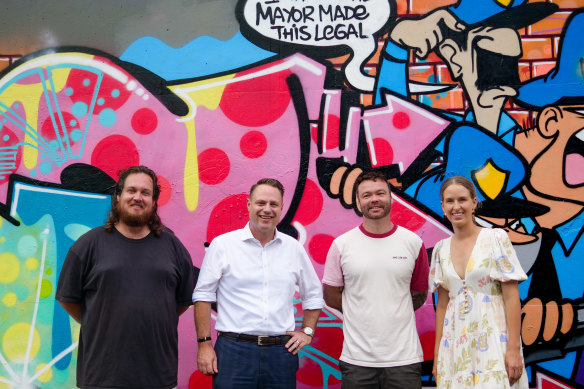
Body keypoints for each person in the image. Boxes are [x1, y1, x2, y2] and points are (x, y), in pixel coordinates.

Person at [56, 165, 196, 389]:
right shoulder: (89, 244)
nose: (137, 197)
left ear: (153, 201)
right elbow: (67, 298)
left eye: (145, 192)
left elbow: (180, 303)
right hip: (102, 376)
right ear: (118, 196)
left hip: (157, 375)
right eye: (131, 190)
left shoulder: (173, 247)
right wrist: (97, 319)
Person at [192, 178, 324, 388]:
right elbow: (203, 297)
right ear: (249, 205)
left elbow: (314, 295)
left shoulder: (293, 248)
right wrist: (205, 344)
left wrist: (307, 332)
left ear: (281, 208)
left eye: (273, 204)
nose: (267, 210)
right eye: (261, 203)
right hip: (233, 351)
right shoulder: (223, 245)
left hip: (281, 353)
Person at [322, 171, 429, 389]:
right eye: (367, 195)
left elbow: (419, 294)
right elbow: (331, 296)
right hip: (357, 361)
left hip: (404, 360)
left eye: (380, 193)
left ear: (390, 198)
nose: (374, 199)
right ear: (359, 202)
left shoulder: (413, 243)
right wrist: (360, 310)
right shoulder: (342, 245)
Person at [430, 176, 527, 388]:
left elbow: (511, 297)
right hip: (455, 344)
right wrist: (438, 356)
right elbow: (443, 305)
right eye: (450, 201)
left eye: (462, 199)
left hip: (493, 340)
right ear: (442, 206)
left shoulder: (495, 239)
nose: (456, 207)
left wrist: (513, 350)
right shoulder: (440, 249)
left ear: (474, 203)